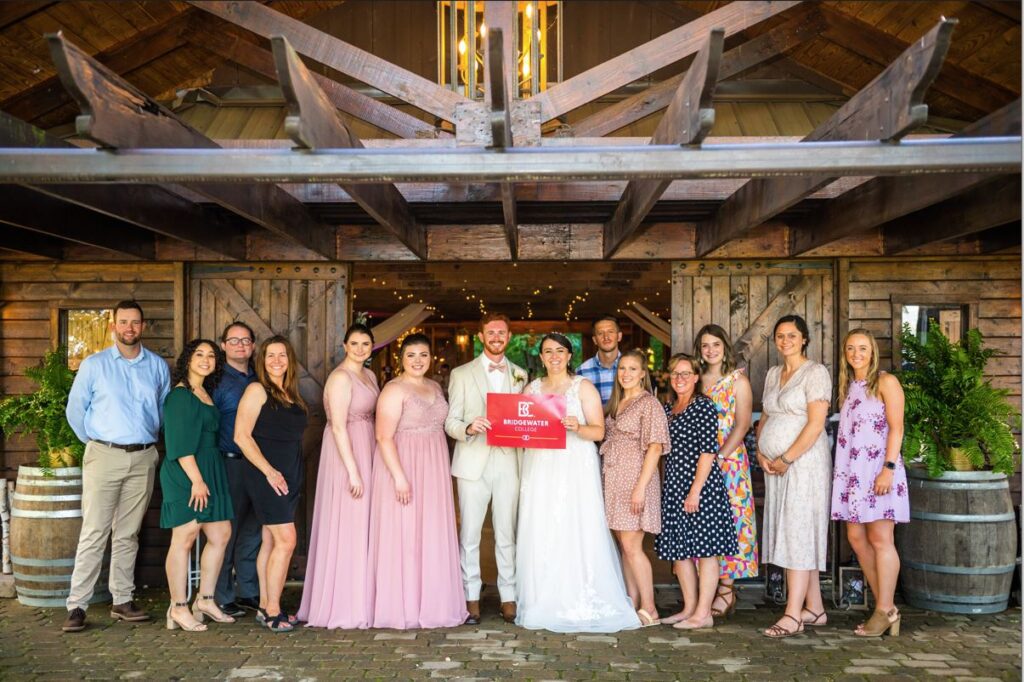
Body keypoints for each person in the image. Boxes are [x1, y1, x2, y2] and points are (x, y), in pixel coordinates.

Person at [516, 333, 640, 633]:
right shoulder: (531, 389)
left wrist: (577, 426)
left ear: (569, 356)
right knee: (543, 526)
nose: (554, 356)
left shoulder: (582, 387)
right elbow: (521, 427)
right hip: (541, 466)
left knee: (576, 525)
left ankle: (582, 593)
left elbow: (599, 432)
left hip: (575, 465)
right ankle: (542, 596)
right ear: (541, 357)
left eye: (560, 351)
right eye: (548, 352)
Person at [62, 300, 171, 633]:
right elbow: (75, 411)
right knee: (95, 531)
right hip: (103, 455)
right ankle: (77, 605)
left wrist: (147, 444)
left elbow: (164, 410)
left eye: (135, 322)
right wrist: (97, 445)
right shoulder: (94, 365)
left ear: (143, 326)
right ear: (113, 326)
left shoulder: (156, 366)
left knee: (128, 533)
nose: (129, 328)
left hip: (143, 457)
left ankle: (122, 600)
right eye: (123, 322)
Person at [368, 334, 466, 628]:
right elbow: (383, 436)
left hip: (434, 467)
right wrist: (399, 477)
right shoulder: (393, 389)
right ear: (401, 358)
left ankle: (433, 603)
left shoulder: (435, 386)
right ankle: (404, 606)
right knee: (405, 533)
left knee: (431, 532)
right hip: (404, 466)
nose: (418, 360)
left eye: (423, 354)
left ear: (431, 358)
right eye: (412, 355)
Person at [445, 313, 528, 624]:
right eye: (490, 332)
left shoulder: (521, 374)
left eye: (501, 333)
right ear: (481, 336)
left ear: (508, 338)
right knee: (470, 534)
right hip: (472, 462)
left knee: (508, 532)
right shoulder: (461, 374)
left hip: (509, 462)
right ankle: (471, 597)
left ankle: (509, 596)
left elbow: (526, 421)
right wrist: (468, 426)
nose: (496, 337)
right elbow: (450, 421)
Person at [298, 324, 379, 629]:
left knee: (366, 524)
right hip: (347, 452)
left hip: (368, 442)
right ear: (345, 345)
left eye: (365, 343)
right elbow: (340, 426)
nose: (360, 348)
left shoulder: (369, 376)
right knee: (349, 522)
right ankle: (343, 602)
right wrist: (354, 470)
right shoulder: (340, 377)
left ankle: (364, 597)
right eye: (354, 343)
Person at [757, 315, 833, 638]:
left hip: (803, 464)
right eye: (780, 335)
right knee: (790, 531)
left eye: (792, 335)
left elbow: (816, 424)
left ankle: (793, 614)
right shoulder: (774, 373)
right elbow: (766, 417)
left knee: (799, 532)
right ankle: (814, 608)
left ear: (804, 339)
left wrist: (787, 457)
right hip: (775, 466)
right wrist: (761, 453)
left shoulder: (815, 373)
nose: (785, 340)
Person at [831, 328, 908, 637]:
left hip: (878, 469)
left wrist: (888, 468)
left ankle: (884, 609)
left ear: (873, 352)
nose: (856, 354)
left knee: (880, 538)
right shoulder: (850, 387)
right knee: (856, 538)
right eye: (851, 348)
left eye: (862, 348)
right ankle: (885, 607)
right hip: (853, 472)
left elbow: (897, 428)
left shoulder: (886, 382)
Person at [656, 354, 739, 630]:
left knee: (705, 551)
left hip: (700, 486)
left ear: (695, 377)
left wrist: (695, 491)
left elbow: (707, 452)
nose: (680, 379)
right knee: (681, 551)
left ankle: (703, 614)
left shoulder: (703, 406)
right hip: (675, 485)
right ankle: (689, 608)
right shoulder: (670, 408)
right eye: (675, 374)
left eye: (686, 373)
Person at [234, 336, 308, 633]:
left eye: (282, 355)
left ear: (289, 360)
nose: (277, 360)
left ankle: (266, 606)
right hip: (267, 476)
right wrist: (269, 471)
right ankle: (274, 609)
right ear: (261, 361)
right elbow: (241, 436)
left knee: (270, 540)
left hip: (288, 475)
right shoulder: (257, 390)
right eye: (270, 356)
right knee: (287, 540)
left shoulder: (290, 393)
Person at [160, 339, 235, 632]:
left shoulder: (205, 392)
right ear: (187, 360)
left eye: (211, 355)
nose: (206, 359)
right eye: (199, 354)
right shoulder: (180, 396)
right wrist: (197, 480)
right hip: (187, 470)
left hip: (210, 467)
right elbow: (178, 443)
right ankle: (178, 607)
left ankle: (204, 599)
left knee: (220, 532)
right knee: (186, 536)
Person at [600, 349, 669, 626]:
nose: (626, 374)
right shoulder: (616, 402)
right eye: (622, 369)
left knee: (632, 546)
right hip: (614, 479)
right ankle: (631, 601)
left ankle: (650, 607)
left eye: (632, 369)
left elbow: (654, 448)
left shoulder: (648, 403)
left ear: (643, 373)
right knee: (624, 546)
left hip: (636, 479)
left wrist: (640, 488)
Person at [694, 324, 759, 617]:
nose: (710, 351)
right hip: (697, 459)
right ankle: (703, 588)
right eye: (705, 345)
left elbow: (742, 424)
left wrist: (719, 456)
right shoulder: (695, 380)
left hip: (728, 459)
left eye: (715, 345)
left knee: (731, 518)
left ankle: (726, 589)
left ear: (725, 348)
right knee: (702, 520)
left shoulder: (737, 381)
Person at [213, 322, 261, 618]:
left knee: (252, 531)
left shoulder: (261, 378)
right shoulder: (215, 381)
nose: (240, 345)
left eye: (246, 340)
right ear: (223, 345)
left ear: (253, 345)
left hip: (258, 465)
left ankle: (248, 591)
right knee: (225, 531)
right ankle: (221, 594)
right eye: (234, 340)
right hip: (229, 462)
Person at [578, 315, 622, 406]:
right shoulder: (581, 372)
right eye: (600, 333)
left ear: (619, 336)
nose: (606, 337)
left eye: (610, 331)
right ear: (595, 340)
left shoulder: (634, 368)